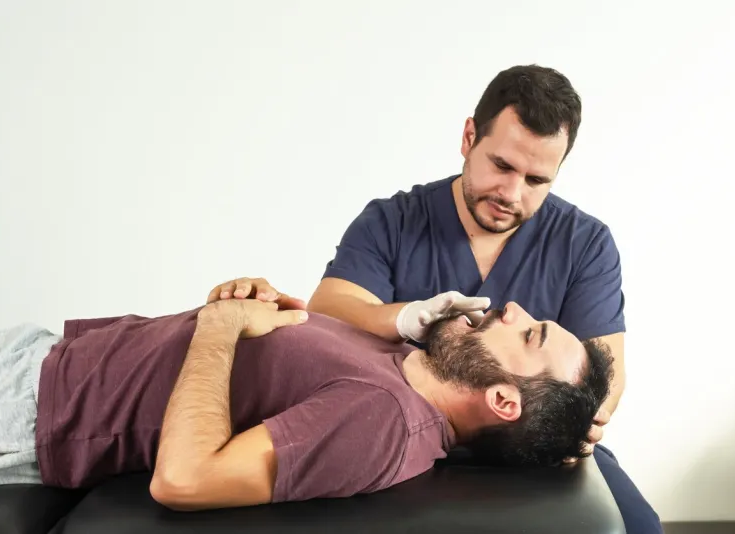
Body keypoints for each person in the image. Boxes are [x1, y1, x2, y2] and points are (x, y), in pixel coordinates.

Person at [210, 65, 661, 532]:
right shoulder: (393, 221)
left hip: (526, 451)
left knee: (638, 526)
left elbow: (605, 372)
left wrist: (578, 424)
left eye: (536, 181)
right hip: (392, 434)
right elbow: (328, 310)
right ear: (469, 137)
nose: (511, 193)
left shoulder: (583, 243)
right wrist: (406, 318)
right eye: (502, 166)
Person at [0, 285, 612, 512]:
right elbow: (280, 363)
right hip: (45, 354)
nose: (513, 309)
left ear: (503, 401)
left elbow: (184, 480)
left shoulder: (385, 424)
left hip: (29, 410)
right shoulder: (404, 364)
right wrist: (253, 303)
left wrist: (217, 331)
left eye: (530, 334)